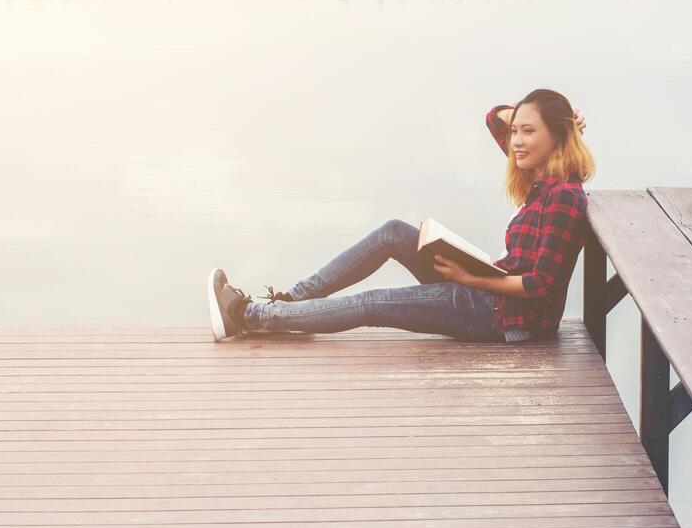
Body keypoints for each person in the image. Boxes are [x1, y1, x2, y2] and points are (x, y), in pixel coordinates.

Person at [206, 89, 595, 343]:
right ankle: (291, 302)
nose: (516, 142)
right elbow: (495, 117)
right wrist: (541, 119)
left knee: (375, 302)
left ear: (557, 138)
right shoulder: (540, 178)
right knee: (394, 232)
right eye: (517, 133)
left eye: (528, 132)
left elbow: (541, 285)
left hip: (503, 316)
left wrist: (470, 277)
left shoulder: (563, 197)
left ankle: (248, 316)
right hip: (487, 291)